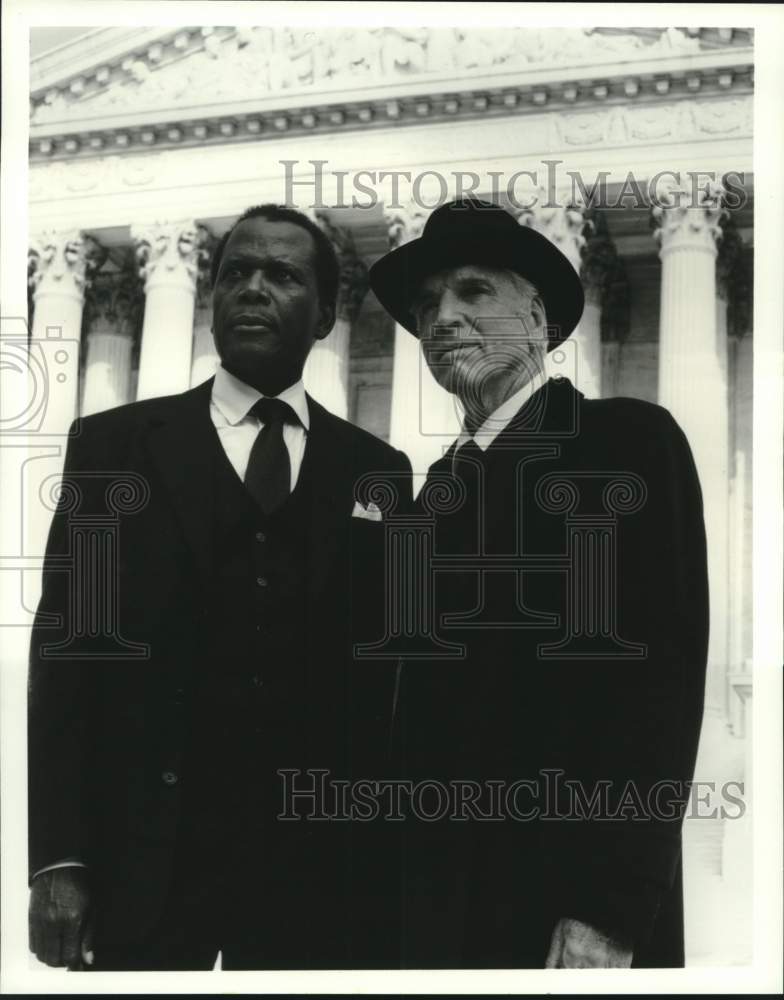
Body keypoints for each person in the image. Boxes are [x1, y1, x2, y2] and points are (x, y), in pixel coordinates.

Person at [28, 204, 412, 971]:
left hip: (316, 881)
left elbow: (388, 690)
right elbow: (68, 659)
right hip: (147, 868)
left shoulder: (381, 471)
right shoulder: (113, 448)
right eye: (235, 273)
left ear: (328, 315)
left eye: (281, 276)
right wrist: (59, 858)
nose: (252, 290)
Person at [369, 197, 709, 969]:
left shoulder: (626, 444)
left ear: (539, 317)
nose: (442, 319)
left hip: (568, 912)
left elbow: (660, 688)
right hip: (437, 914)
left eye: (473, 292)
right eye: (426, 306)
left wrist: (611, 910)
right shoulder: (432, 494)